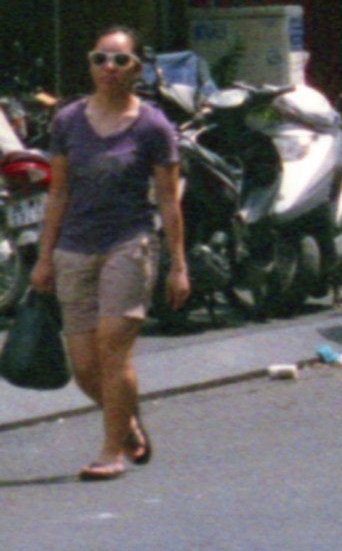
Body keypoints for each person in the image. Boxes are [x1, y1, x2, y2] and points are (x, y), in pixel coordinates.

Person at [28, 25, 189, 481]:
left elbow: (168, 200)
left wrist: (178, 266)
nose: (109, 68)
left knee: (113, 351)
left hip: (129, 244)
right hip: (73, 249)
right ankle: (128, 424)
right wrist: (44, 257)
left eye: (120, 60)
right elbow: (58, 193)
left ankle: (109, 451)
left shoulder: (153, 126)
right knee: (83, 366)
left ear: (137, 68)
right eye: (100, 58)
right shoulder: (68, 121)